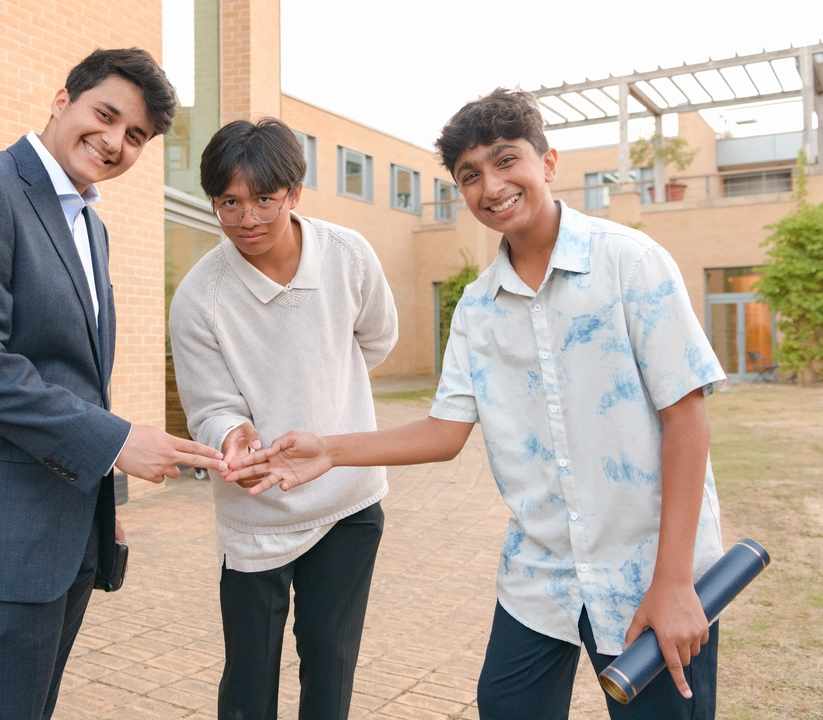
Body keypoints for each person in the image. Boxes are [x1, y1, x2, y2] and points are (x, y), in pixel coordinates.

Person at [225, 89, 727, 720]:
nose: (490, 186)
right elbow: (444, 431)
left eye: (505, 160)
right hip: (539, 576)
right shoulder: (477, 307)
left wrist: (677, 582)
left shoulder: (630, 263)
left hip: (651, 569)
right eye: (469, 176)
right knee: (505, 704)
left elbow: (685, 417)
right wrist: (329, 450)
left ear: (548, 162)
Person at [0, 48, 226, 720]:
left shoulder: (91, 226)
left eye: (136, 137)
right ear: (63, 99)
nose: (116, 142)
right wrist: (117, 443)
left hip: (62, 534)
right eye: (107, 115)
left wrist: (102, 497)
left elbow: (78, 379)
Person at [168, 117, 398, 719]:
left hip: (346, 502)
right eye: (230, 202)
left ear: (294, 193)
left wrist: (326, 392)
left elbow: (374, 342)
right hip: (256, 512)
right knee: (249, 676)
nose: (247, 218)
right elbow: (210, 405)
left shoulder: (348, 256)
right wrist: (231, 434)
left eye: (264, 199)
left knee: (330, 659)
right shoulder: (200, 296)